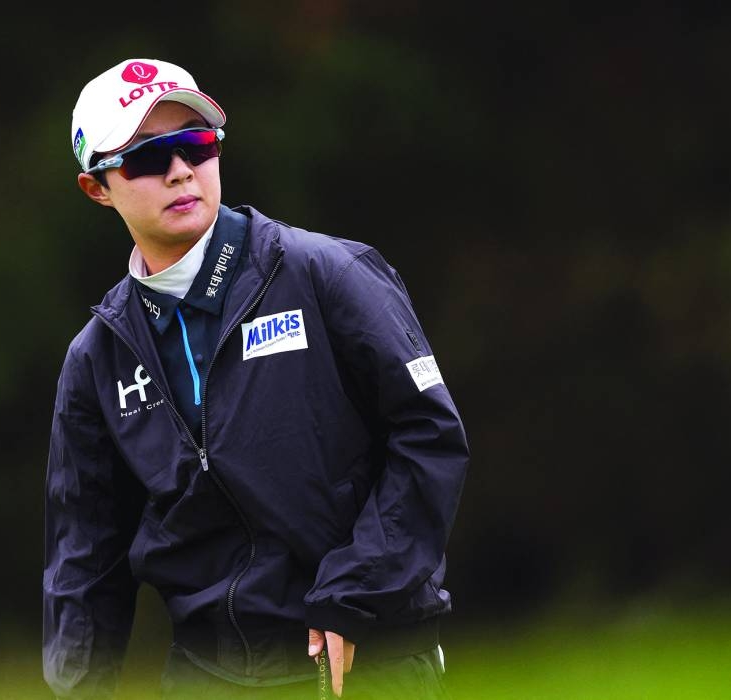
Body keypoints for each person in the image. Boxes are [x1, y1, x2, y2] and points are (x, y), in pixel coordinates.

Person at [43, 56, 469, 700]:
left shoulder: (328, 272)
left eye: (196, 143)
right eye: (148, 156)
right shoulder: (96, 356)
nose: (181, 169)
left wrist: (356, 591)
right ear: (96, 187)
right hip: (205, 676)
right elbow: (85, 559)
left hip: (365, 658)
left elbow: (429, 437)